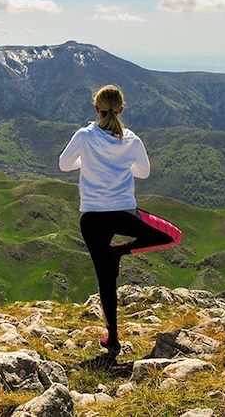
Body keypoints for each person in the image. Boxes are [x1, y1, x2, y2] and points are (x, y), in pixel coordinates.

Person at [59, 84, 183, 355]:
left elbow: (64, 164)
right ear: (122, 109)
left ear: (96, 109)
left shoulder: (84, 136)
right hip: (125, 211)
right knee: (172, 235)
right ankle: (121, 252)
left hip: (92, 217)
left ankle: (113, 338)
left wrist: (88, 162)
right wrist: (122, 163)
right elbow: (144, 173)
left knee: (105, 280)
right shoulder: (131, 140)